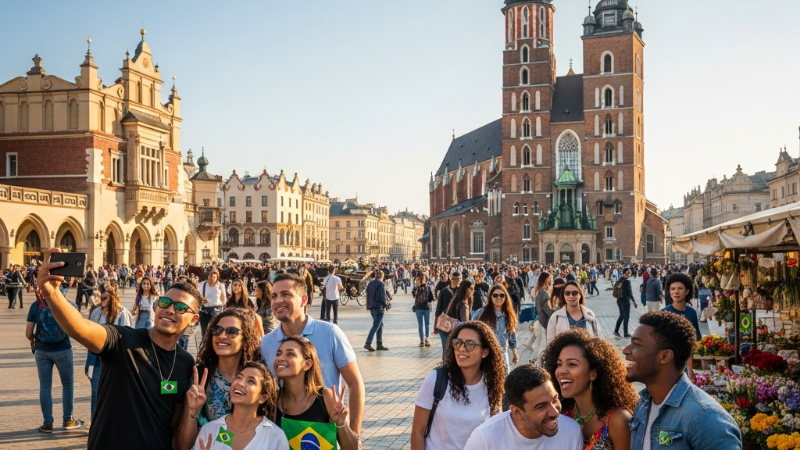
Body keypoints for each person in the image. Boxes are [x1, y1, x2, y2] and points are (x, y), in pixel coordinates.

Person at [35, 248, 202, 449]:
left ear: (193, 319)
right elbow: (80, 328)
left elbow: (175, 424)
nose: (169, 310)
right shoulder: (123, 339)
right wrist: (52, 293)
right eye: (164, 302)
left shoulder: (185, 362)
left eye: (181, 308)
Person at [260, 273, 365, 435]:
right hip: (283, 432)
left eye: (285, 294)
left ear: (303, 300)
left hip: (326, 430)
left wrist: (355, 433)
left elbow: (355, 383)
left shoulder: (330, 333)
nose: (277, 300)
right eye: (274, 296)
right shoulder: (267, 343)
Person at [623, 311, 742, 449]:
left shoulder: (707, 419)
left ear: (665, 356)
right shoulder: (644, 403)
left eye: (636, 344)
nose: (626, 350)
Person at [411, 321, 506, 450]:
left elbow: (496, 433)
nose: (461, 348)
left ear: (485, 352)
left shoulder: (492, 385)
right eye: (458, 342)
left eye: (470, 344)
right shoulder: (436, 380)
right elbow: (418, 431)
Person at [178, 308, 264, 442]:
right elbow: (184, 445)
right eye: (217, 330)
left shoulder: (257, 378)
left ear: (245, 337)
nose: (222, 335)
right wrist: (193, 411)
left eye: (232, 331)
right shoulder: (200, 377)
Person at [542, 329, 637, 450]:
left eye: (572, 364)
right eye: (559, 364)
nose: (561, 371)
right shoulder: (561, 414)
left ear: (593, 374)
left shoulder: (618, 419)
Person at [464, 364, 583, 450]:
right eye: (541, 406)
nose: (554, 412)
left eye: (555, 400)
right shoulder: (484, 439)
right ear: (517, 412)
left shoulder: (571, 431)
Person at [274, 336, 361, 450]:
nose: (280, 358)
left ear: (307, 364)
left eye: (290, 354)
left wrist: (341, 423)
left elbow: (354, 448)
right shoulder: (272, 399)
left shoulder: (325, 397)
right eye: (278, 354)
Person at [193, 362, 289, 450]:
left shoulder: (276, 437)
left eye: (251, 381)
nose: (240, 383)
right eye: (239, 377)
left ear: (262, 398)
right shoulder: (209, 430)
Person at [25, 287, 83, 432]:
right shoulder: (70, 305)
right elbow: (78, 329)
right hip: (63, 349)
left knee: (45, 386)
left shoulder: (36, 305)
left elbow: (28, 333)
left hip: (42, 350)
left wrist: (34, 339)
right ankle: (68, 419)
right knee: (68, 384)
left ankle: (48, 422)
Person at [85, 286, 133, 419]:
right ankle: (95, 423)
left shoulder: (122, 313)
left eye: (105, 298)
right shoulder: (96, 312)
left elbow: (128, 338)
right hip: (96, 359)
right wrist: (88, 365)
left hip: (115, 359)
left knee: (114, 393)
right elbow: (89, 338)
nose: (101, 300)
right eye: (100, 297)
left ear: (113, 298)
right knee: (96, 393)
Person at [472, 284, 518, 372]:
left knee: (503, 382)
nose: (498, 298)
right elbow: (472, 330)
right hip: (485, 354)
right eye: (495, 295)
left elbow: (511, 333)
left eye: (502, 295)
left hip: (502, 354)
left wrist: (514, 352)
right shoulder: (480, 313)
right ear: (490, 296)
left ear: (505, 297)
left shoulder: (508, 314)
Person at [546, 281, 600, 346]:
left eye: (574, 293)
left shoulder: (589, 315)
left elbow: (598, 339)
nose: (571, 296)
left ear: (580, 294)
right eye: (567, 293)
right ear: (564, 295)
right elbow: (550, 344)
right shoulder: (556, 317)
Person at [434, 270, 462, 353]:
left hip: (458, 323)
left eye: (458, 279)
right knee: (446, 347)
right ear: (450, 278)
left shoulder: (462, 291)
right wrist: (436, 325)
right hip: (445, 322)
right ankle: (445, 364)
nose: (456, 281)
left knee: (457, 348)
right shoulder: (444, 291)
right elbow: (438, 309)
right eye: (454, 279)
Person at [364, 270, 390, 352]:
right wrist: (386, 305)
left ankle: (379, 344)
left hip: (372, 307)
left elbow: (367, 293)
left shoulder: (371, 283)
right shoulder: (381, 284)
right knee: (376, 325)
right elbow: (382, 297)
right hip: (379, 307)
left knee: (380, 325)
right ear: (382, 276)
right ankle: (368, 343)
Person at [199, 269, 227, 338]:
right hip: (205, 309)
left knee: (215, 330)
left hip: (217, 309)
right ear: (208, 276)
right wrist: (201, 299)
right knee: (204, 330)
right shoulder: (202, 285)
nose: (212, 278)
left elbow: (224, 299)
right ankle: (205, 344)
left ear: (217, 277)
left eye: (214, 277)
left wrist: (222, 307)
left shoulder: (220, 285)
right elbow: (197, 295)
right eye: (210, 276)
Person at [613, 268, 638, 339]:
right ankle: (625, 332)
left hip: (619, 300)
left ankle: (616, 331)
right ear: (623, 273)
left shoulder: (620, 280)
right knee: (626, 316)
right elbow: (630, 293)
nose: (628, 274)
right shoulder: (627, 282)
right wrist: (634, 301)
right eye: (627, 273)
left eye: (629, 273)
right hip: (625, 301)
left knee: (622, 316)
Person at [412, 273, 435, 347]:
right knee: (427, 324)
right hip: (426, 307)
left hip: (418, 307)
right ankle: (427, 339)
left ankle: (421, 341)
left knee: (420, 325)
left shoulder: (416, 288)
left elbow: (413, 295)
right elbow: (431, 298)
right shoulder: (428, 287)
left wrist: (417, 287)